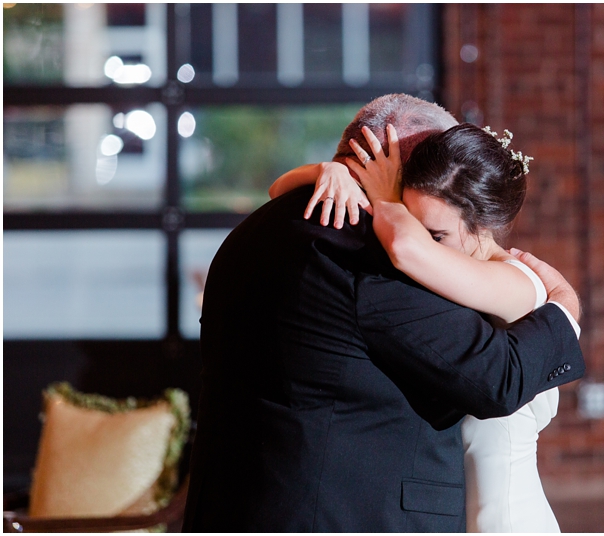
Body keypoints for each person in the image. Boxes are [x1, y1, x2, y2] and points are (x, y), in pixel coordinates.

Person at [182, 94, 583, 532]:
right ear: (391, 164)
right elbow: (496, 378)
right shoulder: (374, 255)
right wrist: (566, 307)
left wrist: (323, 169)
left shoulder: (255, 229)